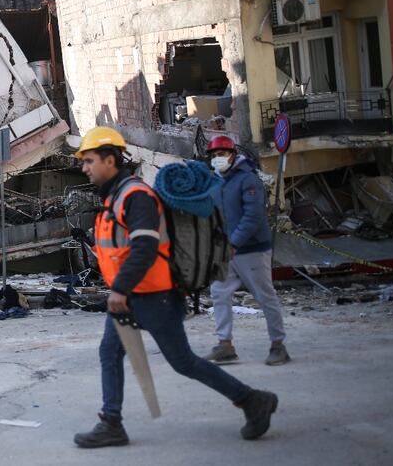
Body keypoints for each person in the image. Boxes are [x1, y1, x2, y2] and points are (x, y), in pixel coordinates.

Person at [71, 127, 278, 449]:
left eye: (89, 160)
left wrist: (120, 289)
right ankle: (111, 422)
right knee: (109, 353)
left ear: (110, 160)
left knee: (183, 362)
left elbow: (144, 248)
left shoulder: (135, 196)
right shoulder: (115, 196)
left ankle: (252, 400)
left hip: (153, 296)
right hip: (132, 297)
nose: (84, 168)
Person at [205, 136, 289, 366]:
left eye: (221, 154)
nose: (217, 159)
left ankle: (278, 345)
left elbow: (252, 217)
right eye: (213, 156)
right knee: (219, 293)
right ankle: (225, 345)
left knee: (264, 296)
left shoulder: (248, 179)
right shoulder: (216, 181)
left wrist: (233, 243)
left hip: (252, 249)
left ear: (232, 155)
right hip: (227, 250)